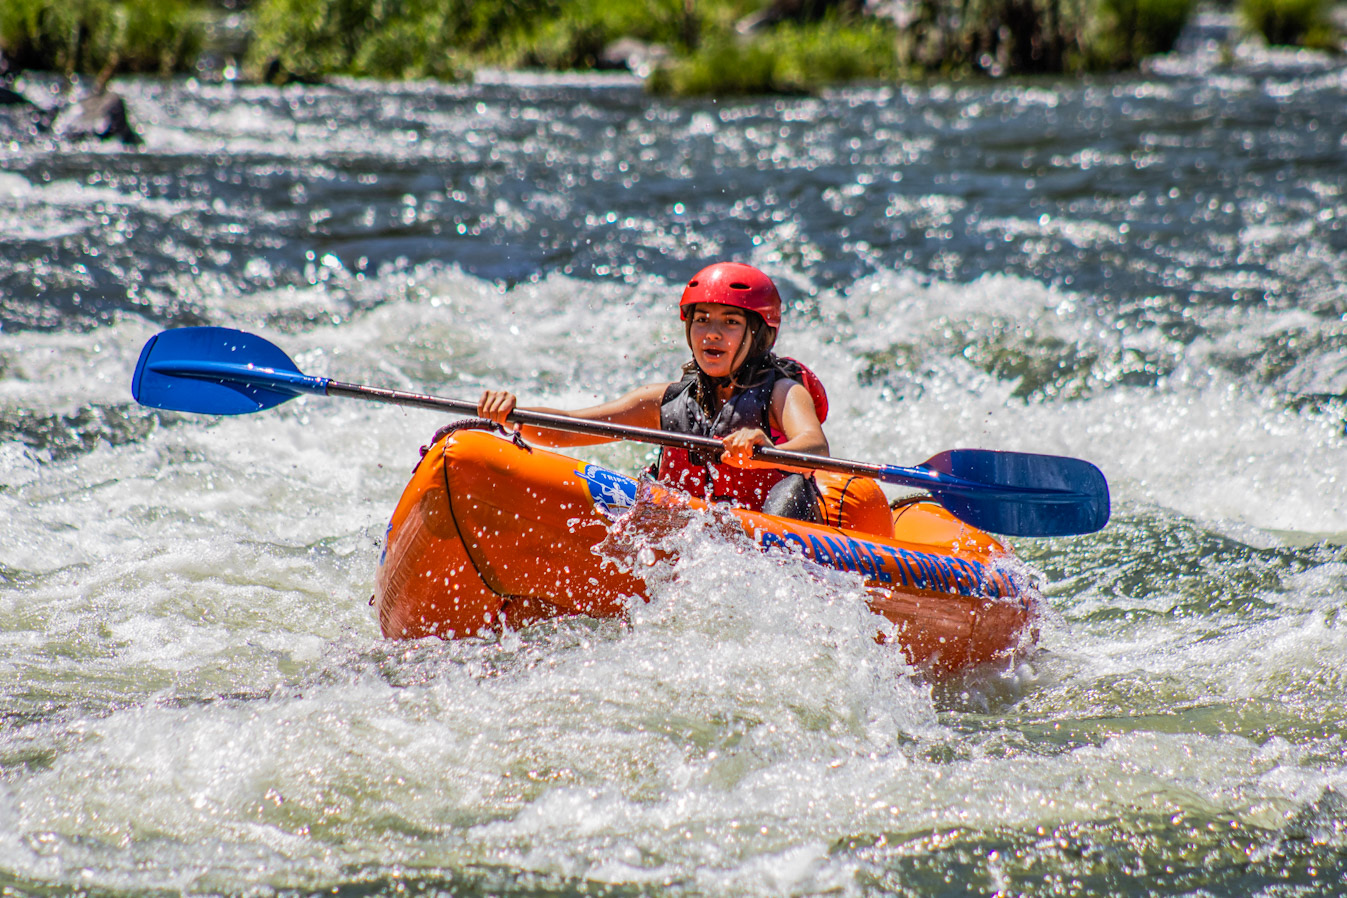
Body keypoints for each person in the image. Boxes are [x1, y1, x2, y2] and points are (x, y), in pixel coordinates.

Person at [476, 261, 831, 521]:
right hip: (687, 537)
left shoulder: (783, 392)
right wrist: (513, 415)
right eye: (702, 319)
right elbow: (571, 427)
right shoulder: (665, 401)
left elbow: (815, 446)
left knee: (793, 491)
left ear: (759, 335)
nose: (712, 333)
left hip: (773, 539)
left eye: (731, 322)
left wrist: (765, 449)